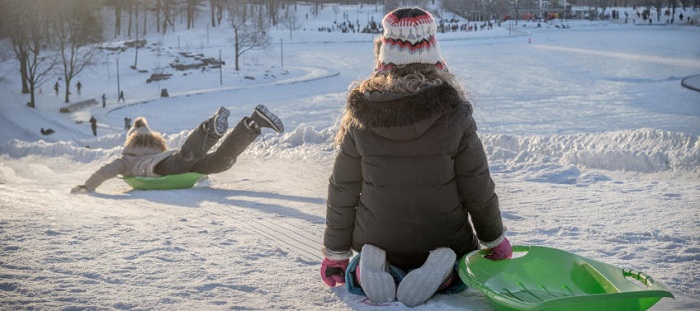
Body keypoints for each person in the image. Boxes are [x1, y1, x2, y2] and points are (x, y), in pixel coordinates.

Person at [320, 7, 511, 307]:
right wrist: (494, 239)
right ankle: (444, 271)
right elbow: (477, 186)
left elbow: (342, 189)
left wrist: (336, 254)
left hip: (379, 236)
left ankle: (372, 267)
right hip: (444, 238)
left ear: (385, 54)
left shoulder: (361, 113)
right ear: (433, 54)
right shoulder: (455, 111)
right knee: (464, 266)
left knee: (359, 266)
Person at [71, 105, 284, 193]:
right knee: (219, 162)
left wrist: (87, 186)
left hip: (164, 168)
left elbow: (104, 172)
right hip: (171, 161)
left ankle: (210, 128)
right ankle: (253, 124)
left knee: (188, 157)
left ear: (131, 141)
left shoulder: (126, 160)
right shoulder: (160, 150)